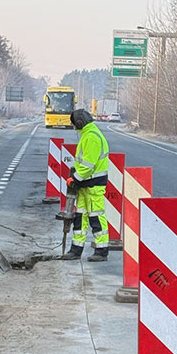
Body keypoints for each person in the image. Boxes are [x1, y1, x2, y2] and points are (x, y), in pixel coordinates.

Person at [62, 109, 110, 262]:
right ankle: (76, 250)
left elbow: (88, 165)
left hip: (92, 185)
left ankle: (102, 251)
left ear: (80, 122)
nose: (74, 126)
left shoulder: (91, 137)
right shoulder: (88, 134)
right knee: (80, 217)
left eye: (74, 123)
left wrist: (74, 178)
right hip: (85, 185)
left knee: (96, 218)